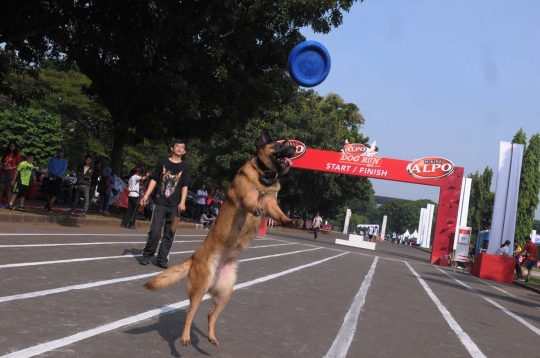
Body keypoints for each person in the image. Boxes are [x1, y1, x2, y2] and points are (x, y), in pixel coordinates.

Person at [140, 139, 190, 269]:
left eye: (182, 147)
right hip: (160, 202)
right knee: (155, 230)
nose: (179, 148)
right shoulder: (162, 162)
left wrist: (183, 202)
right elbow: (155, 179)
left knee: (170, 232)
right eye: (177, 146)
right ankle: (147, 254)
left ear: (184, 151)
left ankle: (162, 259)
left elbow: (184, 185)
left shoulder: (185, 167)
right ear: (172, 148)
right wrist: (146, 195)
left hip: (175, 206)